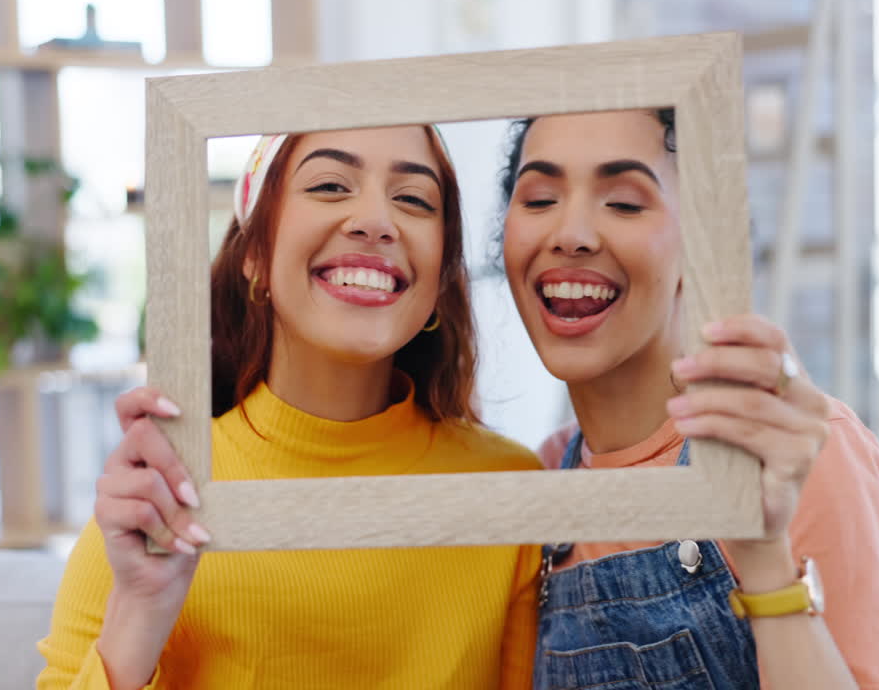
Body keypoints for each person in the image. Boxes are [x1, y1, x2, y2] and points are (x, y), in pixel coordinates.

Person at [37, 126, 543, 690]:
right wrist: (141, 607)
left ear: (438, 279)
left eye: (413, 199)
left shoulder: (510, 488)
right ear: (254, 253)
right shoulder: (163, 497)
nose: (376, 219)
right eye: (330, 185)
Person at [497, 109, 879, 689]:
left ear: (701, 244)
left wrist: (764, 555)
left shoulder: (799, 459)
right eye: (539, 198)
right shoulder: (545, 473)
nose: (570, 233)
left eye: (625, 202)